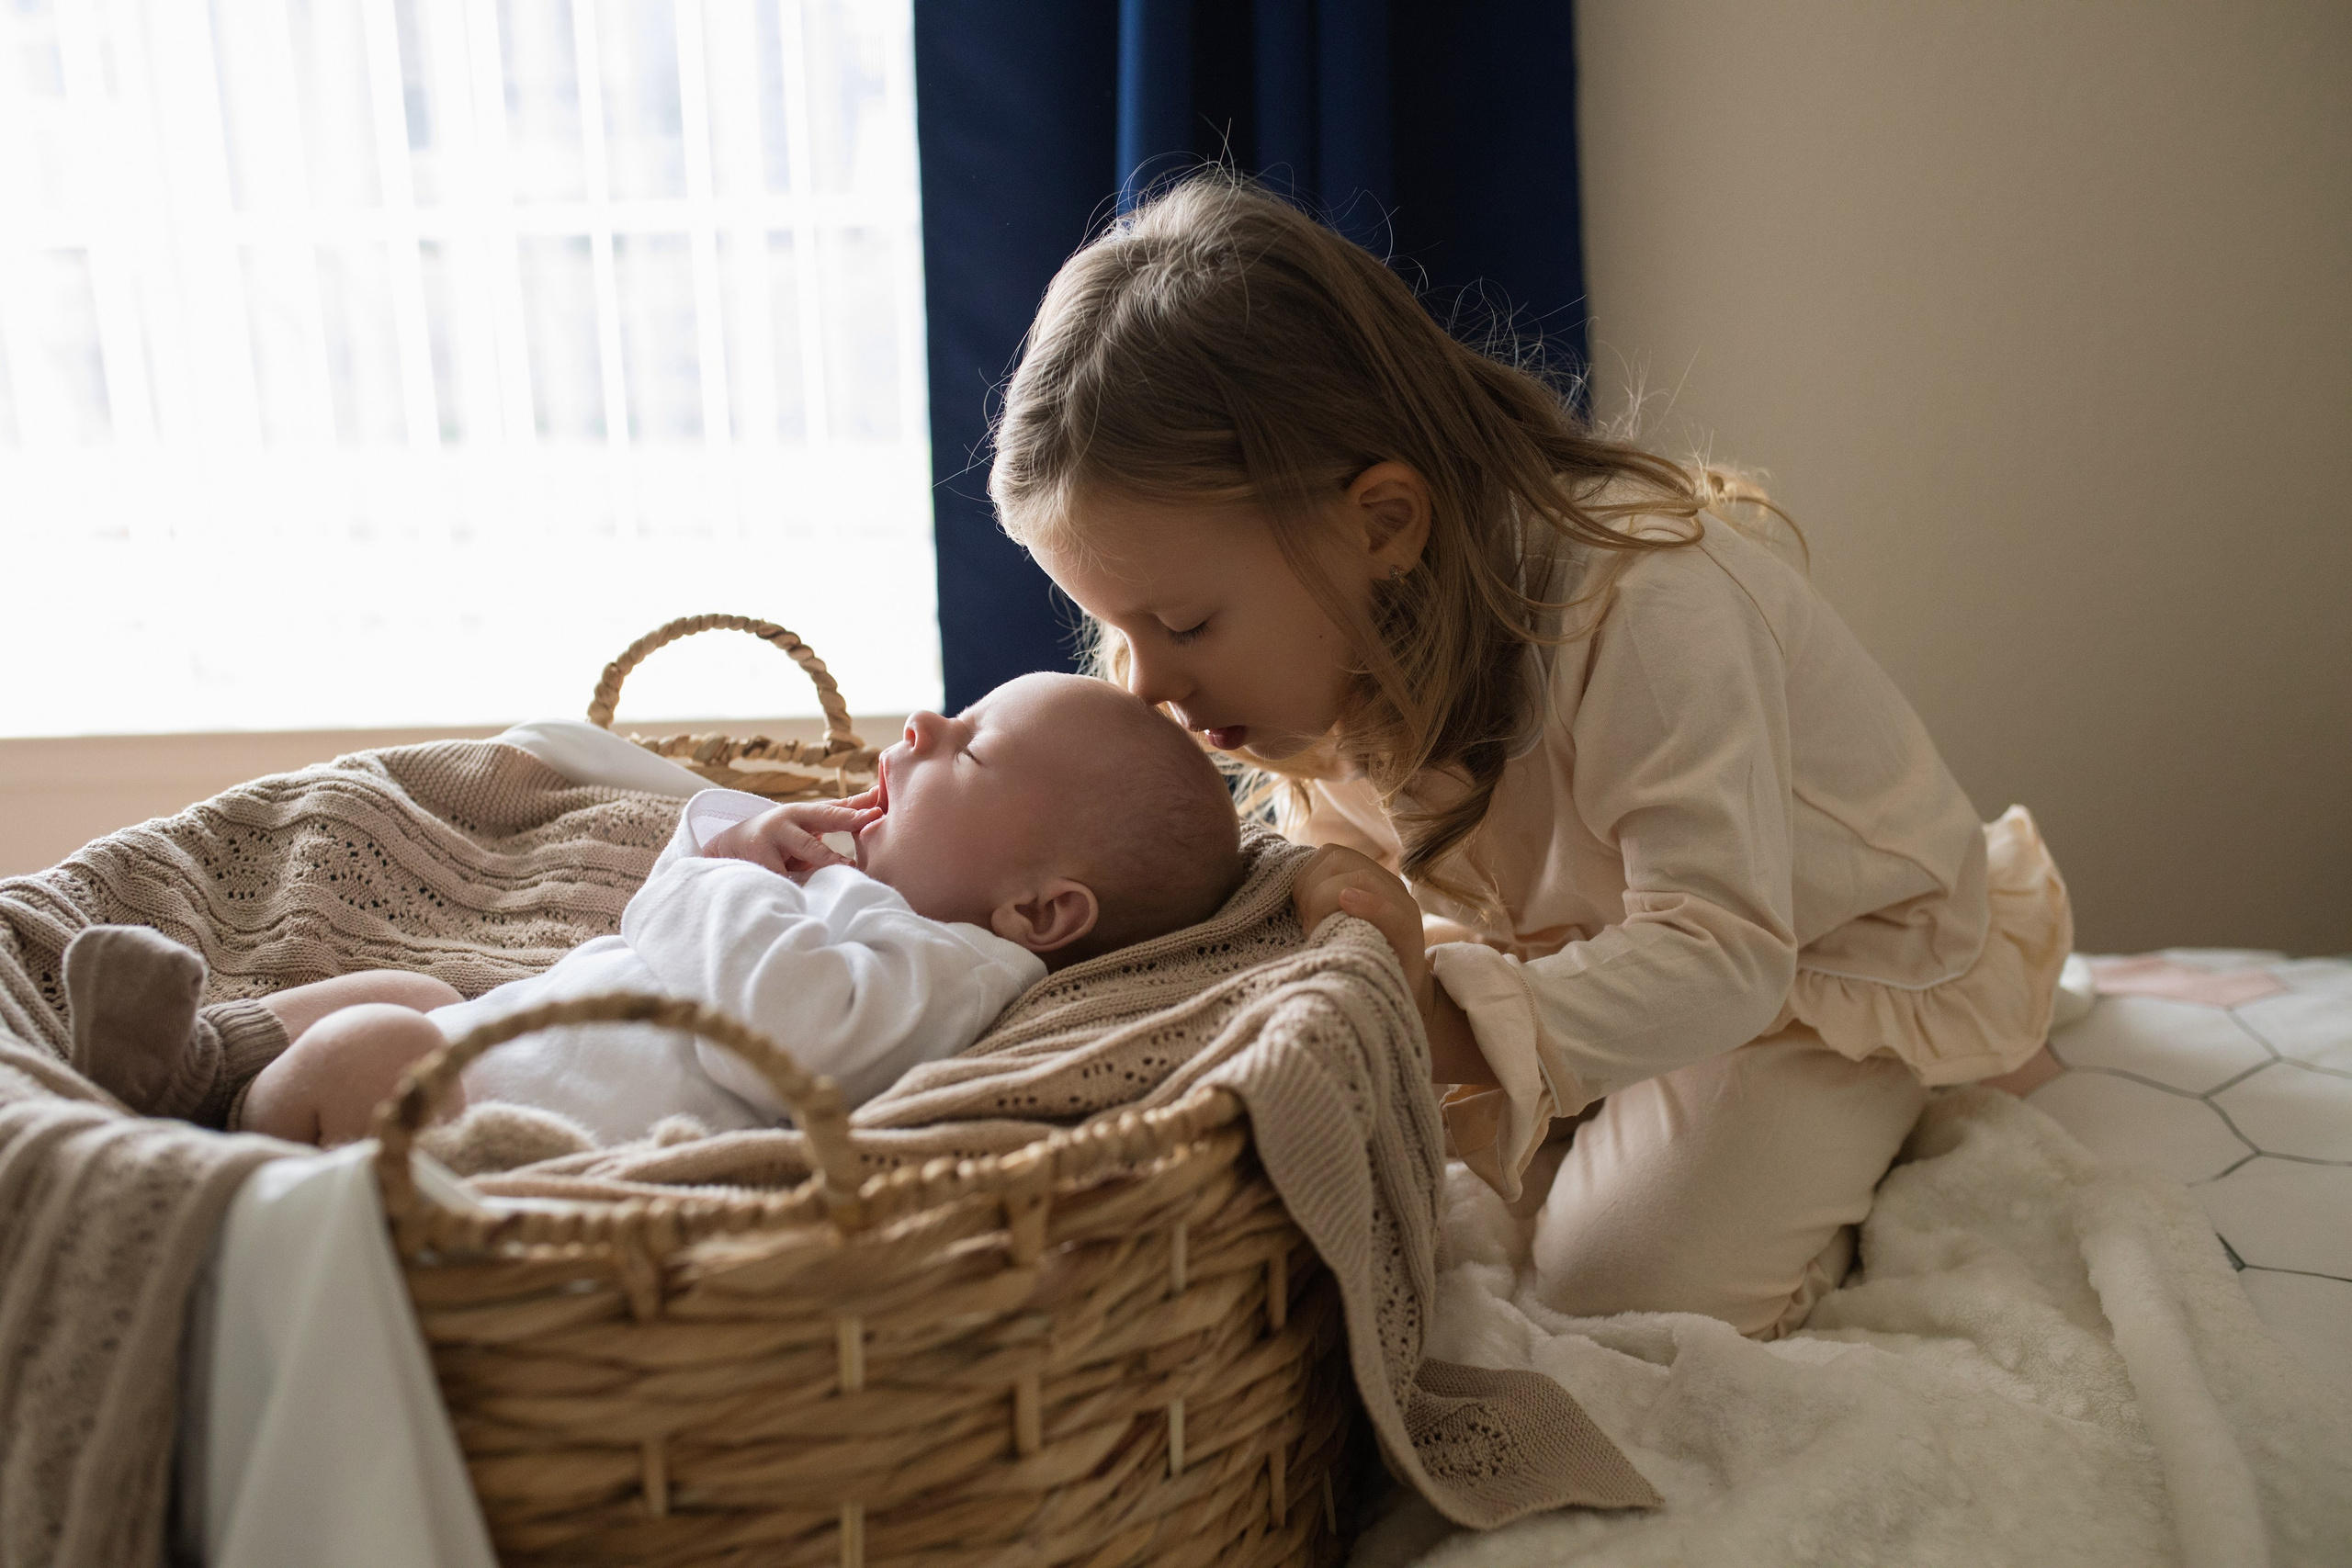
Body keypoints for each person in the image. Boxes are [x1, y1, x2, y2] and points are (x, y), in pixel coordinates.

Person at [990, 175, 2072, 1339]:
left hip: (1813, 965)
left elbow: (1722, 954)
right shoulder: (1330, 649)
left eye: (1185, 625)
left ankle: (1924, 1071)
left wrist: (1431, 1020)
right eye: (1116, 627)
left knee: (1616, 1281)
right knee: (1393, 1187)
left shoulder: (1652, 609)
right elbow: (1367, 868)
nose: (1144, 682)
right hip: (1585, 949)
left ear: (1382, 525)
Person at [64, 673, 1243, 1147]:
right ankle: (200, 1058)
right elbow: (669, 934)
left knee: (385, 1043)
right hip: (493, 1051)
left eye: (971, 751)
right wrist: (729, 851)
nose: (923, 727)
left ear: (1041, 912)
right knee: (415, 993)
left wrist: (727, 872)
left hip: (504, 1159)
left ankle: (198, 1169)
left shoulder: (955, 968)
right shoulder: (854, 894)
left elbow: (797, 1034)